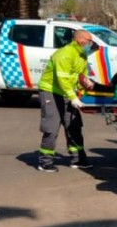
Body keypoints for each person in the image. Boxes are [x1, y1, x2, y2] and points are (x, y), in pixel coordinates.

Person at [36, 29, 97, 172]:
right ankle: (45, 162)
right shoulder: (64, 54)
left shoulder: (81, 55)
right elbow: (62, 78)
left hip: (67, 92)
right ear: (80, 40)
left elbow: (81, 76)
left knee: (74, 126)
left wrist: (84, 87)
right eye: (89, 41)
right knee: (52, 127)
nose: (91, 44)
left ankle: (78, 159)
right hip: (51, 91)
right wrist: (72, 97)